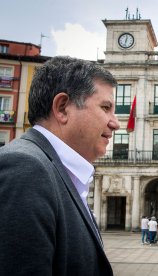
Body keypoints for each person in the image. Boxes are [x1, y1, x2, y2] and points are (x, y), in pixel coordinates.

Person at [0, 56, 118, 275]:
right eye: (105, 107)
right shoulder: (25, 169)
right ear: (62, 107)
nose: (116, 122)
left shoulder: (56, 172)